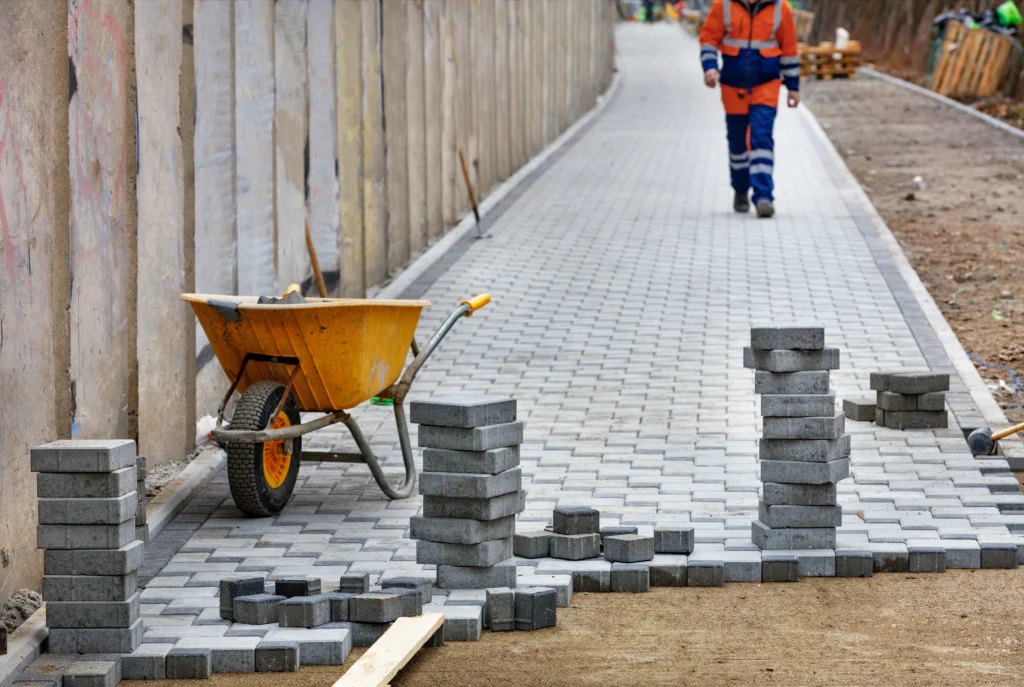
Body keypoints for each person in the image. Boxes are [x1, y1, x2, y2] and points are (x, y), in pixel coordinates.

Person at [699, 0, 800, 218]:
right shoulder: (723, 5)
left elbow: (789, 49)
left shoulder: (780, 8)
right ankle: (741, 189)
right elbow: (708, 39)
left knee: (761, 137)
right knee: (737, 145)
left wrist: (793, 87)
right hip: (733, 86)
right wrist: (709, 68)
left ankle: (764, 196)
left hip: (766, 85)